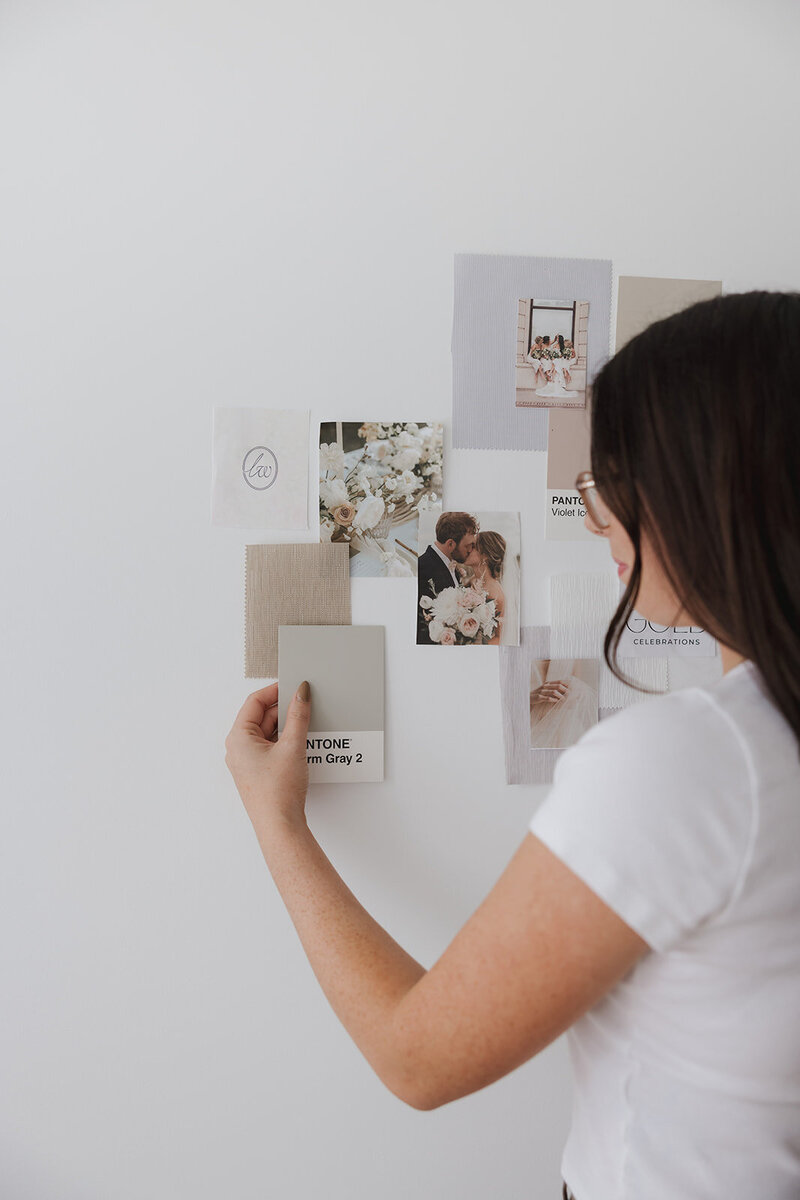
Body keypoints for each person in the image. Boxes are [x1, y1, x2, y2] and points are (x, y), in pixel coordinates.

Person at [225, 292, 800, 1200]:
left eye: (613, 484)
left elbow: (417, 1058)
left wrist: (277, 821)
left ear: (709, 488)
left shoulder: (695, 763)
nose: (591, 518)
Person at [415, 511, 478, 644]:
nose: (472, 550)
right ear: (450, 544)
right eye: (468, 546)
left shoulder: (452, 567)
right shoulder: (422, 567)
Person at [460, 530, 507, 645]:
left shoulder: (496, 593)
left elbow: (500, 637)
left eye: (473, 547)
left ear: (486, 556)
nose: (468, 549)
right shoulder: (470, 581)